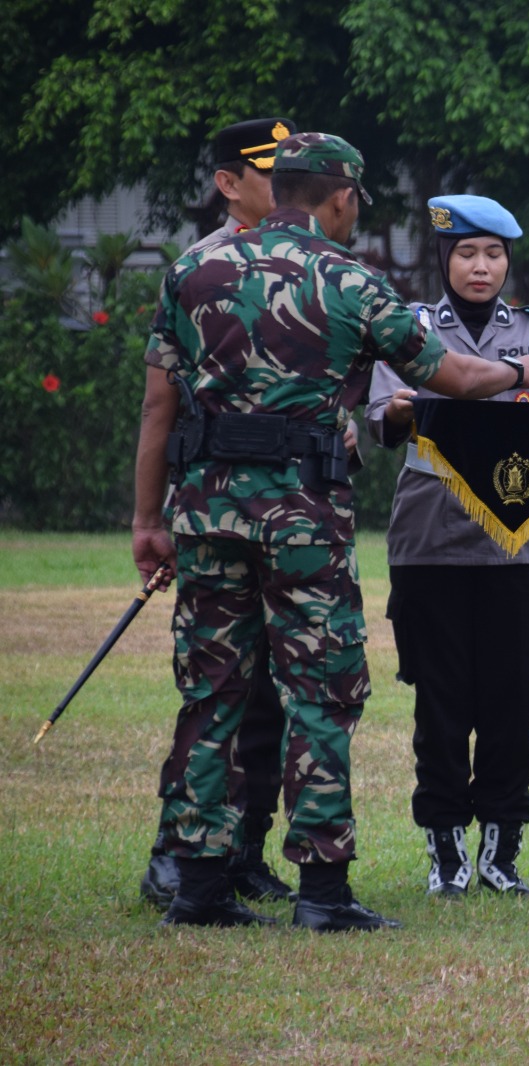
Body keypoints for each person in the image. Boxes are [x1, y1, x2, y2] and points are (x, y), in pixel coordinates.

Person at [134, 132, 529, 932]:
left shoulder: (194, 271)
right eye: (356, 200)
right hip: (302, 517)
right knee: (321, 695)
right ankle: (322, 893)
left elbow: (159, 403)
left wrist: (145, 520)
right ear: (340, 198)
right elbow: (452, 375)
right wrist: (524, 372)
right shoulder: (349, 280)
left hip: (206, 512)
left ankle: (197, 888)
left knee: (211, 694)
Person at [366, 194, 529, 900]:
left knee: (511, 700)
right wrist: (408, 408)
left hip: (515, 548)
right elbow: (384, 419)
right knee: (439, 704)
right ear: (444, 259)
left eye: (494, 254)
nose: (481, 267)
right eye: (466, 253)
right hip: (429, 541)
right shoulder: (410, 329)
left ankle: (502, 852)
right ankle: (445, 852)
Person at [139, 116, 301, 909]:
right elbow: (159, 405)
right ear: (229, 184)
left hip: (299, 515)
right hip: (215, 511)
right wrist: (149, 519)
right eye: (270, 171)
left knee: (274, 695)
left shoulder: (314, 266)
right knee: (214, 690)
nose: (286, 185)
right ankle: (176, 855)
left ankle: (245, 850)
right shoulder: (195, 269)